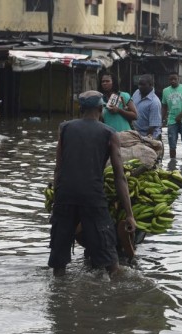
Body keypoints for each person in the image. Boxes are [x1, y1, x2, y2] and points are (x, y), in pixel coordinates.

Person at [48, 90, 135, 279]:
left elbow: (58, 169)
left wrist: (56, 202)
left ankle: (58, 301)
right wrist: (129, 215)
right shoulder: (109, 133)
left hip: (65, 195)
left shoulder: (64, 128)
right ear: (100, 108)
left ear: (81, 109)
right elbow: (120, 176)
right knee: (111, 262)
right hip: (92, 196)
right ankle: (115, 294)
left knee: (59, 262)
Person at [161, 72, 182, 159]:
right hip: (171, 120)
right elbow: (164, 106)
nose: (173, 81)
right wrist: (161, 120)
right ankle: (172, 164)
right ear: (169, 80)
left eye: (175, 79)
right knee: (172, 144)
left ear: (178, 79)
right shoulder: (165, 91)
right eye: (171, 79)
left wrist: (181, 115)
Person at [132, 74, 162, 140]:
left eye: (143, 85)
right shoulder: (136, 93)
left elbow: (153, 126)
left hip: (151, 136)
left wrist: (145, 140)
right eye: (139, 84)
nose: (140, 87)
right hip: (136, 134)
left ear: (151, 85)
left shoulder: (155, 102)